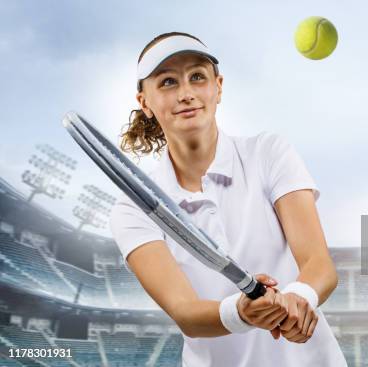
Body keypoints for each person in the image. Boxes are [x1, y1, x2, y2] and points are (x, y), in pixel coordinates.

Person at [109, 31, 347, 366]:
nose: (186, 93)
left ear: (218, 87)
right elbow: (185, 312)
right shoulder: (131, 208)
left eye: (197, 77)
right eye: (167, 82)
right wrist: (242, 312)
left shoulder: (269, 152)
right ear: (144, 102)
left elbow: (318, 265)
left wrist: (298, 298)